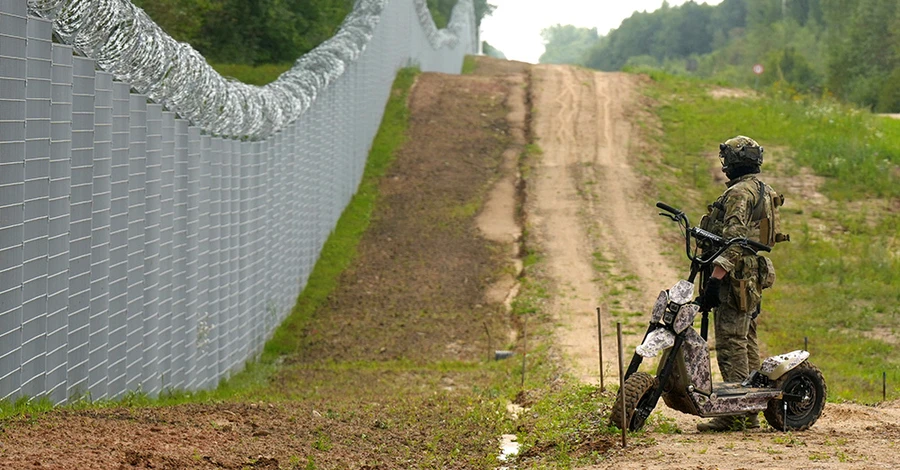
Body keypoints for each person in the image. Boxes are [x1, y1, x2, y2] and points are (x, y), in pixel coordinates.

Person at [695, 135, 786, 432]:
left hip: (734, 276)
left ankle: (735, 413)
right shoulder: (762, 189)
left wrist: (714, 279)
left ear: (733, 162)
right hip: (750, 275)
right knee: (746, 342)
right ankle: (749, 410)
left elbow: (733, 240)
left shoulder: (739, 193)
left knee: (731, 343)